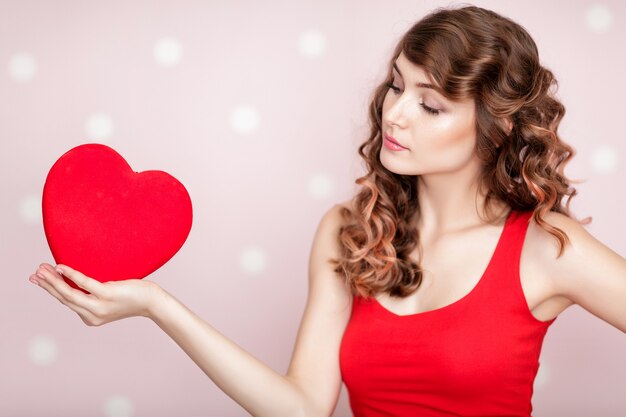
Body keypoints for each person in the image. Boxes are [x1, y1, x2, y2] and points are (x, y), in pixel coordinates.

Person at [29, 4, 625, 417]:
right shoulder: (350, 232)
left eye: (432, 106)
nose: (395, 115)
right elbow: (301, 407)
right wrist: (156, 306)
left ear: (495, 128)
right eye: (397, 86)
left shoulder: (547, 247)